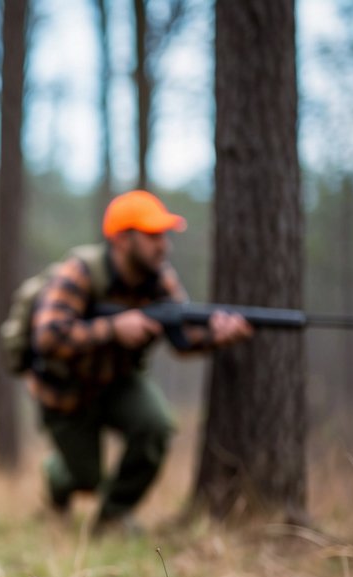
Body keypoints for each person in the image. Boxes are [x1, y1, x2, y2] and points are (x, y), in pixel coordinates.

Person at [26, 190, 253, 534]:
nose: (162, 245)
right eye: (151, 236)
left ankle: (112, 518)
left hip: (118, 383)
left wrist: (217, 336)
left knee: (156, 425)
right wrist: (112, 329)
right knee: (85, 477)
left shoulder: (160, 279)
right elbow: (47, 336)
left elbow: (184, 339)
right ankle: (57, 476)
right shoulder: (79, 273)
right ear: (120, 239)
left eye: (163, 235)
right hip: (66, 393)